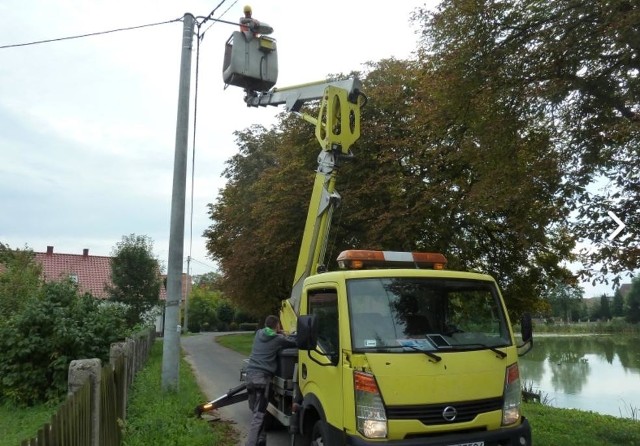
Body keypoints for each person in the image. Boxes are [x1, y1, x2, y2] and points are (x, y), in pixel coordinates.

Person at [244, 315, 297, 446]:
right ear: (277, 325)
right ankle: (250, 444)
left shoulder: (258, 334)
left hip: (249, 376)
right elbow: (293, 342)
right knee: (259, 416)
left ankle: (261, 441)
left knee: (256, 412)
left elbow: (270, 332)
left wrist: (278, 332)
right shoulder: (278, 339)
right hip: (261, 380)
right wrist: (286, 334)